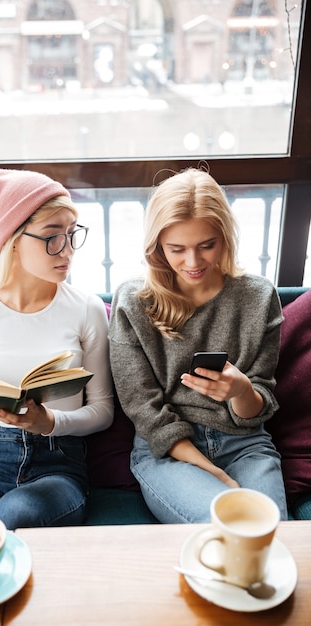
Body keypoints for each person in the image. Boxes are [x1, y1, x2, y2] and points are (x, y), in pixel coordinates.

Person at [108, 167, 288, 524]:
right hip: (169, 452)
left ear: (225, 238)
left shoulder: (258, 297)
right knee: (230, 527)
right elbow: (145, 411)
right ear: (157, 245)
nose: (193, 262)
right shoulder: (134, 302)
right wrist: (215, 475)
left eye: (207, 246)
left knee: (271, 535)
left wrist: (240, 390)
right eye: (177, 249)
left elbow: (259, 404)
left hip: (245, 444)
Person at [0, 168, 114, 529]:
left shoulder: (86, 308)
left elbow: (103, 411)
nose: (66, 250)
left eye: (71, 234)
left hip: (57, 463)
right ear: (14, 239)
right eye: (52, 237)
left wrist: (49, 422)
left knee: (11, 520)